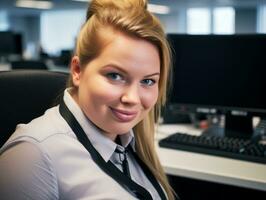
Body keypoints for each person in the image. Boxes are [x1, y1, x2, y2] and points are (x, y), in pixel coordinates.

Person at [0, 0, 176, 199]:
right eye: (115, 76)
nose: (132, 98)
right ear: (77, 70)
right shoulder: (32, 156)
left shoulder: (129, 143)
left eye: (148, 81)